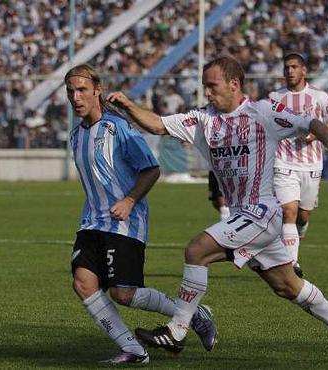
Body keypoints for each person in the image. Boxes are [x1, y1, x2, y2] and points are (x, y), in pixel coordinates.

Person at [107, 56, 328, 361]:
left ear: (234, 83)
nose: (208, 93)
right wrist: (128, 106)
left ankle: (177, 331)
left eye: (212, 86)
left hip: (263, 211)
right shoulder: (204, 120)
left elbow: (310, 122)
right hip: (244, 216)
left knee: (197, 250)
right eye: (205, 87)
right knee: (286, 285)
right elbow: (158, 124)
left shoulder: (264, 111)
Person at [65, 64, 217, 365]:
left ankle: (193, 313)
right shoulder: (75, 135)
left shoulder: (118, 128)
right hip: (92, 221)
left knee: (125, 294)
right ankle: (133, 349)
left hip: (124, 223)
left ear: (97, 90)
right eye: (70, 91)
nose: (75, 97)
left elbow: (151, 170)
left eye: (82, 90)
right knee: (83, 284)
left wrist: (129, 201)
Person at [269, 52, 328, 277]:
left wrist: (316, 134)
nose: (289, 71)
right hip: (283, 161)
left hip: (311, 165)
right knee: (288, 211)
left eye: (294, 67)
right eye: (286, 67)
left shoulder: (319, 96)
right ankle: (291, 263)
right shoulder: (274, 97)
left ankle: (300, 231)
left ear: (304, 71)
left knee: (302, 216)